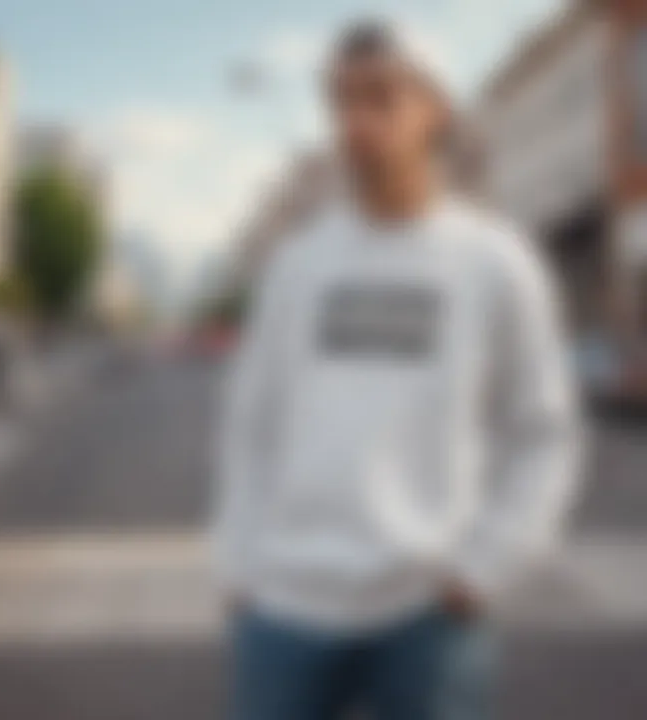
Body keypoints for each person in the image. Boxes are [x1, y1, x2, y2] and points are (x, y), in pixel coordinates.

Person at [214, 19, 580, 720]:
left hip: (428, 616)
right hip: (287, 609)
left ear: (435, 108)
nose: (358, 122)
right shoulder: (298, 266)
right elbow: (250, 423)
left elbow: (543, 432)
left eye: (382, 97)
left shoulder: (495, 263)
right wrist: (240, 566)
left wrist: (483, 569)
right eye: (343, 101)